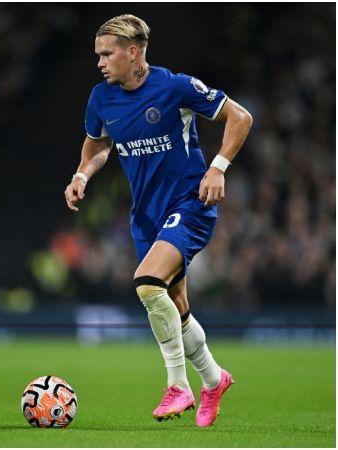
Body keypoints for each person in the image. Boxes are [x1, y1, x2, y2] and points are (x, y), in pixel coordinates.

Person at [63, 14, 252, 427]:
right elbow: (97, 146)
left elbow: (241, 117)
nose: (99, 62)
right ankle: (214, 379)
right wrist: (81, 174)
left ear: (134, 53)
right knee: (177, 307)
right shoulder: (101, 98)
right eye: (97, 54)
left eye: (107, 54)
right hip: (146, 215)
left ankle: (178, 385)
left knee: (148, 284)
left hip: (190, 203)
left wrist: (217, 167)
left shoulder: (175, 87)